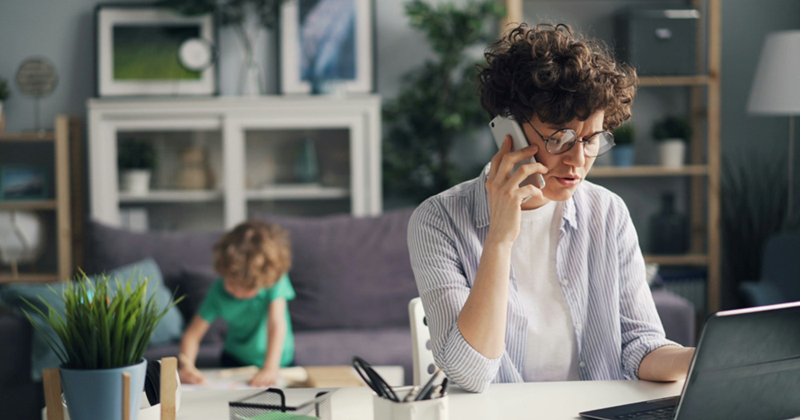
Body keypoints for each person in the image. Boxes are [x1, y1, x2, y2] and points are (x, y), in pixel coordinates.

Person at [407, 23, 696, 393]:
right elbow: (470, 373)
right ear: (507, 130)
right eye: (560, 138)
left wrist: (697, 358)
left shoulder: (608, 212)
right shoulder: (439, 221)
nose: (579, 160)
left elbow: (639, 345)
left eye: (592, 139)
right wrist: (499, 239)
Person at [178, 220, 296, 387]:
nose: (237, 292)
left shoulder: (275, 280)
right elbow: (192, 335)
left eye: (246, 288)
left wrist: (270, 368)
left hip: (279, 361)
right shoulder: (218, 291)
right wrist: (187, 367)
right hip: (235, 360)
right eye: (231, 283)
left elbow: (276, 323)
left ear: (264, 281)